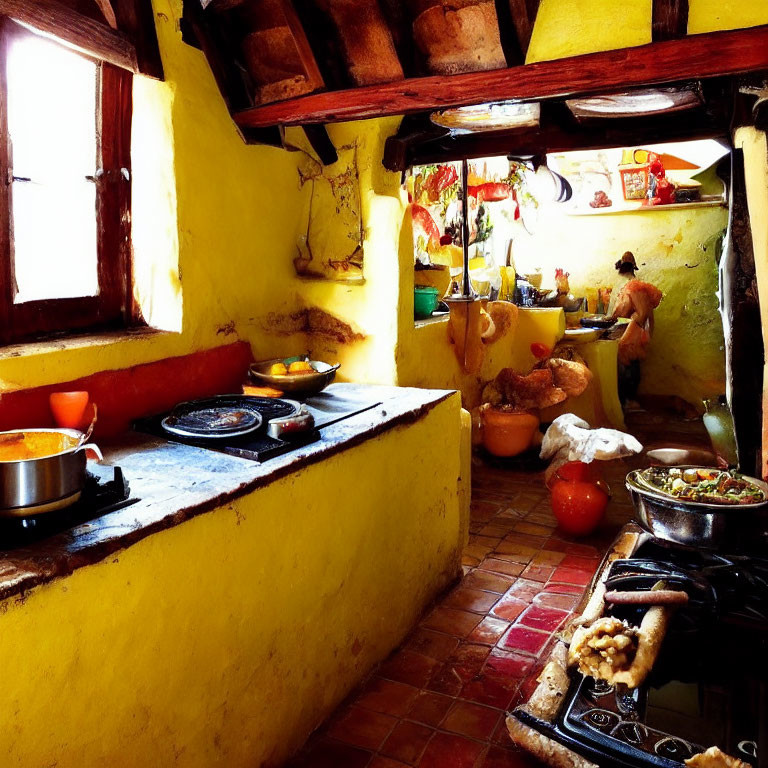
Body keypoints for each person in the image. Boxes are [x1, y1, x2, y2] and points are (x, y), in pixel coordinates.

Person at [608, 252, 662, 405]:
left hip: (630, 335)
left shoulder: (634, 286)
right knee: (625, 368)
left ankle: (627, 403)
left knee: (627, 368)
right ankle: (625, 403)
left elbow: (643, 313)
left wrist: (628, 335)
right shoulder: (629, 287)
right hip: (626, 333)